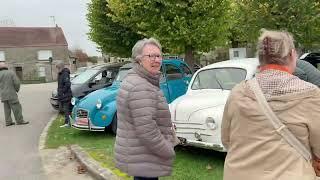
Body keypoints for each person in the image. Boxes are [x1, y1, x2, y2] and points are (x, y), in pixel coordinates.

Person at [221, 30, 320, 180]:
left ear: (260, 58)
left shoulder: (237, 92)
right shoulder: (311, 95)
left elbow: (227, 140)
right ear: (292, 54)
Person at [114, 38, 176, 180]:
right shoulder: (141, 86)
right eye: (151, 56)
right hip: (145, 157)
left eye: (159, 56)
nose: (156, 60)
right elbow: (147, 131)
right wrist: (167, 149)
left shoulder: (136, 80)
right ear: (139, 60)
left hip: (140, 157)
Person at [0, 62, 28, 126]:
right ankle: (20, 121)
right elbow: (17, 83)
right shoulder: (11, 73)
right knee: (16, 107)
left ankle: (8, 122)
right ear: (5, 66)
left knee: (6, 109)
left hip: (3, 95)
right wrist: (16, 89)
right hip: (11, 93)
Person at [56, 61, 72, 128]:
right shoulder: (60, 73)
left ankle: (68, 123)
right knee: (65, 109)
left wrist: (62, 92)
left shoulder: (65, 73)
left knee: (66, 109)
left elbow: (67, 84)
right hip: (62, 95)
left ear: (60, 67)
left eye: (57, 68)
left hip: (66, 95)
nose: (57, 69)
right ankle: (67, 122)